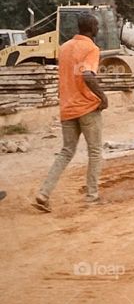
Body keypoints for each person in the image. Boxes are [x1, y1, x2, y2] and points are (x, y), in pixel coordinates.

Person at [34, 12, 108, 211]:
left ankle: (44, 193)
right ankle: (92, 196)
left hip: (67, 107)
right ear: (92, 28)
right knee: (94, 151)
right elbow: (87, 75)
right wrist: (102, 97)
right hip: (87, 107)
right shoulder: (91, 48)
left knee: (66, 151)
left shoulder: (64, 48)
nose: (98, 29)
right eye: (97, 26)